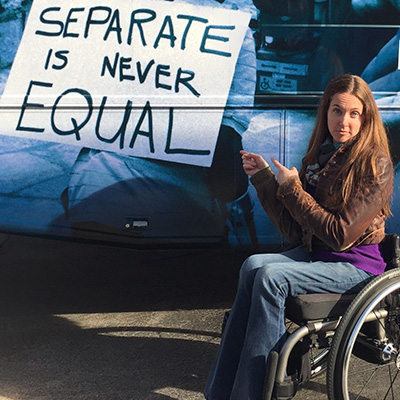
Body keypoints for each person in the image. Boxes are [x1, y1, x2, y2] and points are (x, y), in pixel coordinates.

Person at [204, 74, 394, 400]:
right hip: (318, 255)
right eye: (336, 111)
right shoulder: (321, 157)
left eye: (353, 114)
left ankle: (257, 392)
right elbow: (295, 231)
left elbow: (339, 235)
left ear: (366, 118)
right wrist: (266, 180)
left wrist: (292, 189)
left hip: (356, 265)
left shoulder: (376, 165)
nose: (343, 122)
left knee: (270, 278)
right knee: (252, 265)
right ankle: (220, 392)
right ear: (326, 113)